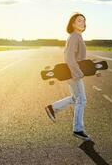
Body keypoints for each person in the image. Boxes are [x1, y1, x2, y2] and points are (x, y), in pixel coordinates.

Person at [45, 12, 90, 141]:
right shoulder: (75, 36)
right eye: (80, 20)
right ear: (73, 23)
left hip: (72, 72)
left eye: (84, 20)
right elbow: (69, 57)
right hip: (73, 73)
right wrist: (77, 73)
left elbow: (77, 57)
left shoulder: (77, 36)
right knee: (81, 100)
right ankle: (78, 129)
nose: (83, 22)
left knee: (76, 98)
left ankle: (52, 108)